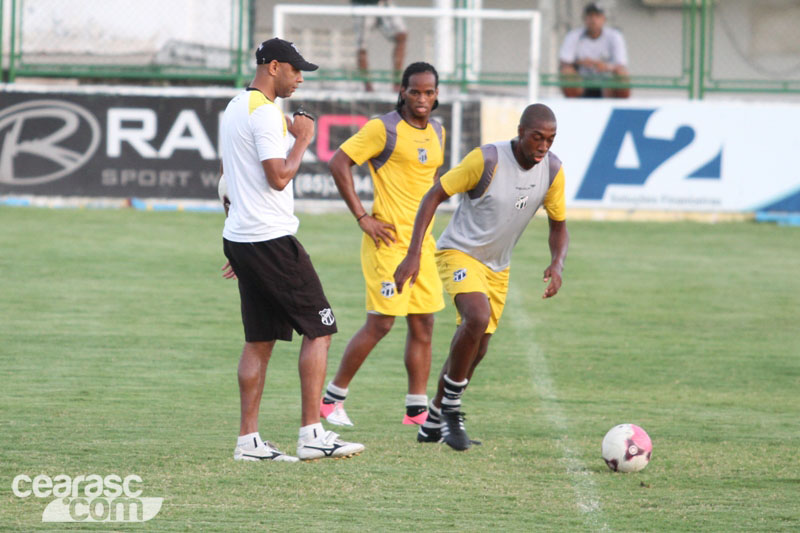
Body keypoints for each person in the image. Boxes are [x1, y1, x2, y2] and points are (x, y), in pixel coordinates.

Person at [220, 37, 364, 462]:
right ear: (274, 67)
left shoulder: (233, 107)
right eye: (296, 69)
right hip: (271, 238)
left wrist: (234, 240)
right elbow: (278, 177)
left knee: (260, 340)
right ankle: (312, 434)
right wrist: (302, 138)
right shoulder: (265, 114)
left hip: (245, 238)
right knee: (321, 329)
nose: (301, 78)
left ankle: (248, 442)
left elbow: (226, 181)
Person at [394, 103, 570, 451]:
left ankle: (432, 420)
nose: (543, 146)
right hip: (458, 251)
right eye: (537, 137)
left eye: (550, 139)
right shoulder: (486, 160)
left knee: (478, 345)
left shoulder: (552, 169)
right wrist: (414, 253)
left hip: (497, 266)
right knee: (476, 316)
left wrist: (557, 262)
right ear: (520, 132)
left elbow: (559, 225)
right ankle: (452, 411)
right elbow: (434, 196)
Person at [321, 62, 446, 428]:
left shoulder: (439, 130)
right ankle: (331, 399)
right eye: (415, 92)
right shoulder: (384, 128)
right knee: (381, 324)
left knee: (424, 324)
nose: (422, 99)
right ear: (402, 91)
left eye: (429, 92)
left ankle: (416, 410)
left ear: (436, 94)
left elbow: (431, 184)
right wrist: (363, 217)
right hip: (388, 242)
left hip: (422, 244)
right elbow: (338, 162)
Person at [558, 2, 630, 98]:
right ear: (584, 19)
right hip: (582, 82)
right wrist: (582, 62)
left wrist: (604, 66)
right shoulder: (573, 35)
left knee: (622, 74)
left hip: (607, 82)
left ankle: (620, 105)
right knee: (566, 72)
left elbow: (621, 64)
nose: (593, 20)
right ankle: (573, 103)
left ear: (604, 19)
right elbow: (564, 62)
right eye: (590, 16)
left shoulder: (614, 36)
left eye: (597, 16)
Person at [351, 0, 407, 91]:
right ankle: (367, 85)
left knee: (401, 35)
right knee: (362, 45)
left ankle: (396, 82)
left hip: (383, 3)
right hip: (363, 5)